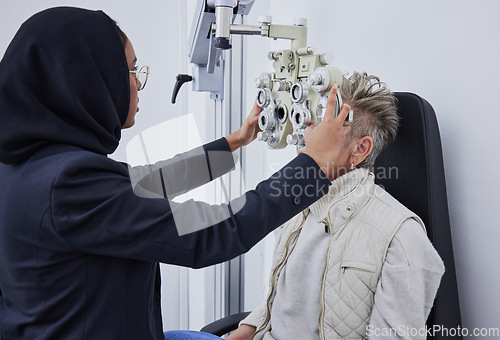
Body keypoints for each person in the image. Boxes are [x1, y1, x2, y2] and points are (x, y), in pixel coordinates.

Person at [0, 7, 351, 340]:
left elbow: (148, 183)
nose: (138, 83)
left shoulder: (29, 166)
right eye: (132, 71)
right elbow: (216, 232)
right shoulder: (68, 183)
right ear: (88, 80)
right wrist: (313, 163)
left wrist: (235, 141)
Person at [226, 72, 445, 340]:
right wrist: (240, 333)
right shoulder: (293, 206)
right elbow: (278, 302)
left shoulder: (402, 237)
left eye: (323, 128)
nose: (306, 134)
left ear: (360, 149)